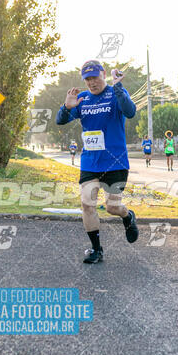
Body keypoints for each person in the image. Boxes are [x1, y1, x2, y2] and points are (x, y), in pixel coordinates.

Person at [56, 59, 139, 263]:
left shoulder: (115, 92)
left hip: (115, 162)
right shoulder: (82, 98)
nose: (92, 82)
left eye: (95, 77)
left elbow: (130, 112)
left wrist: (118, 87)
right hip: (90, 162)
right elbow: (60, 120)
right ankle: (96, 250)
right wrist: (67, 107)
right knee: (87, 204)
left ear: (103, 74)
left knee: (112, 208)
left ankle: (128, 216)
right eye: (88, 79)